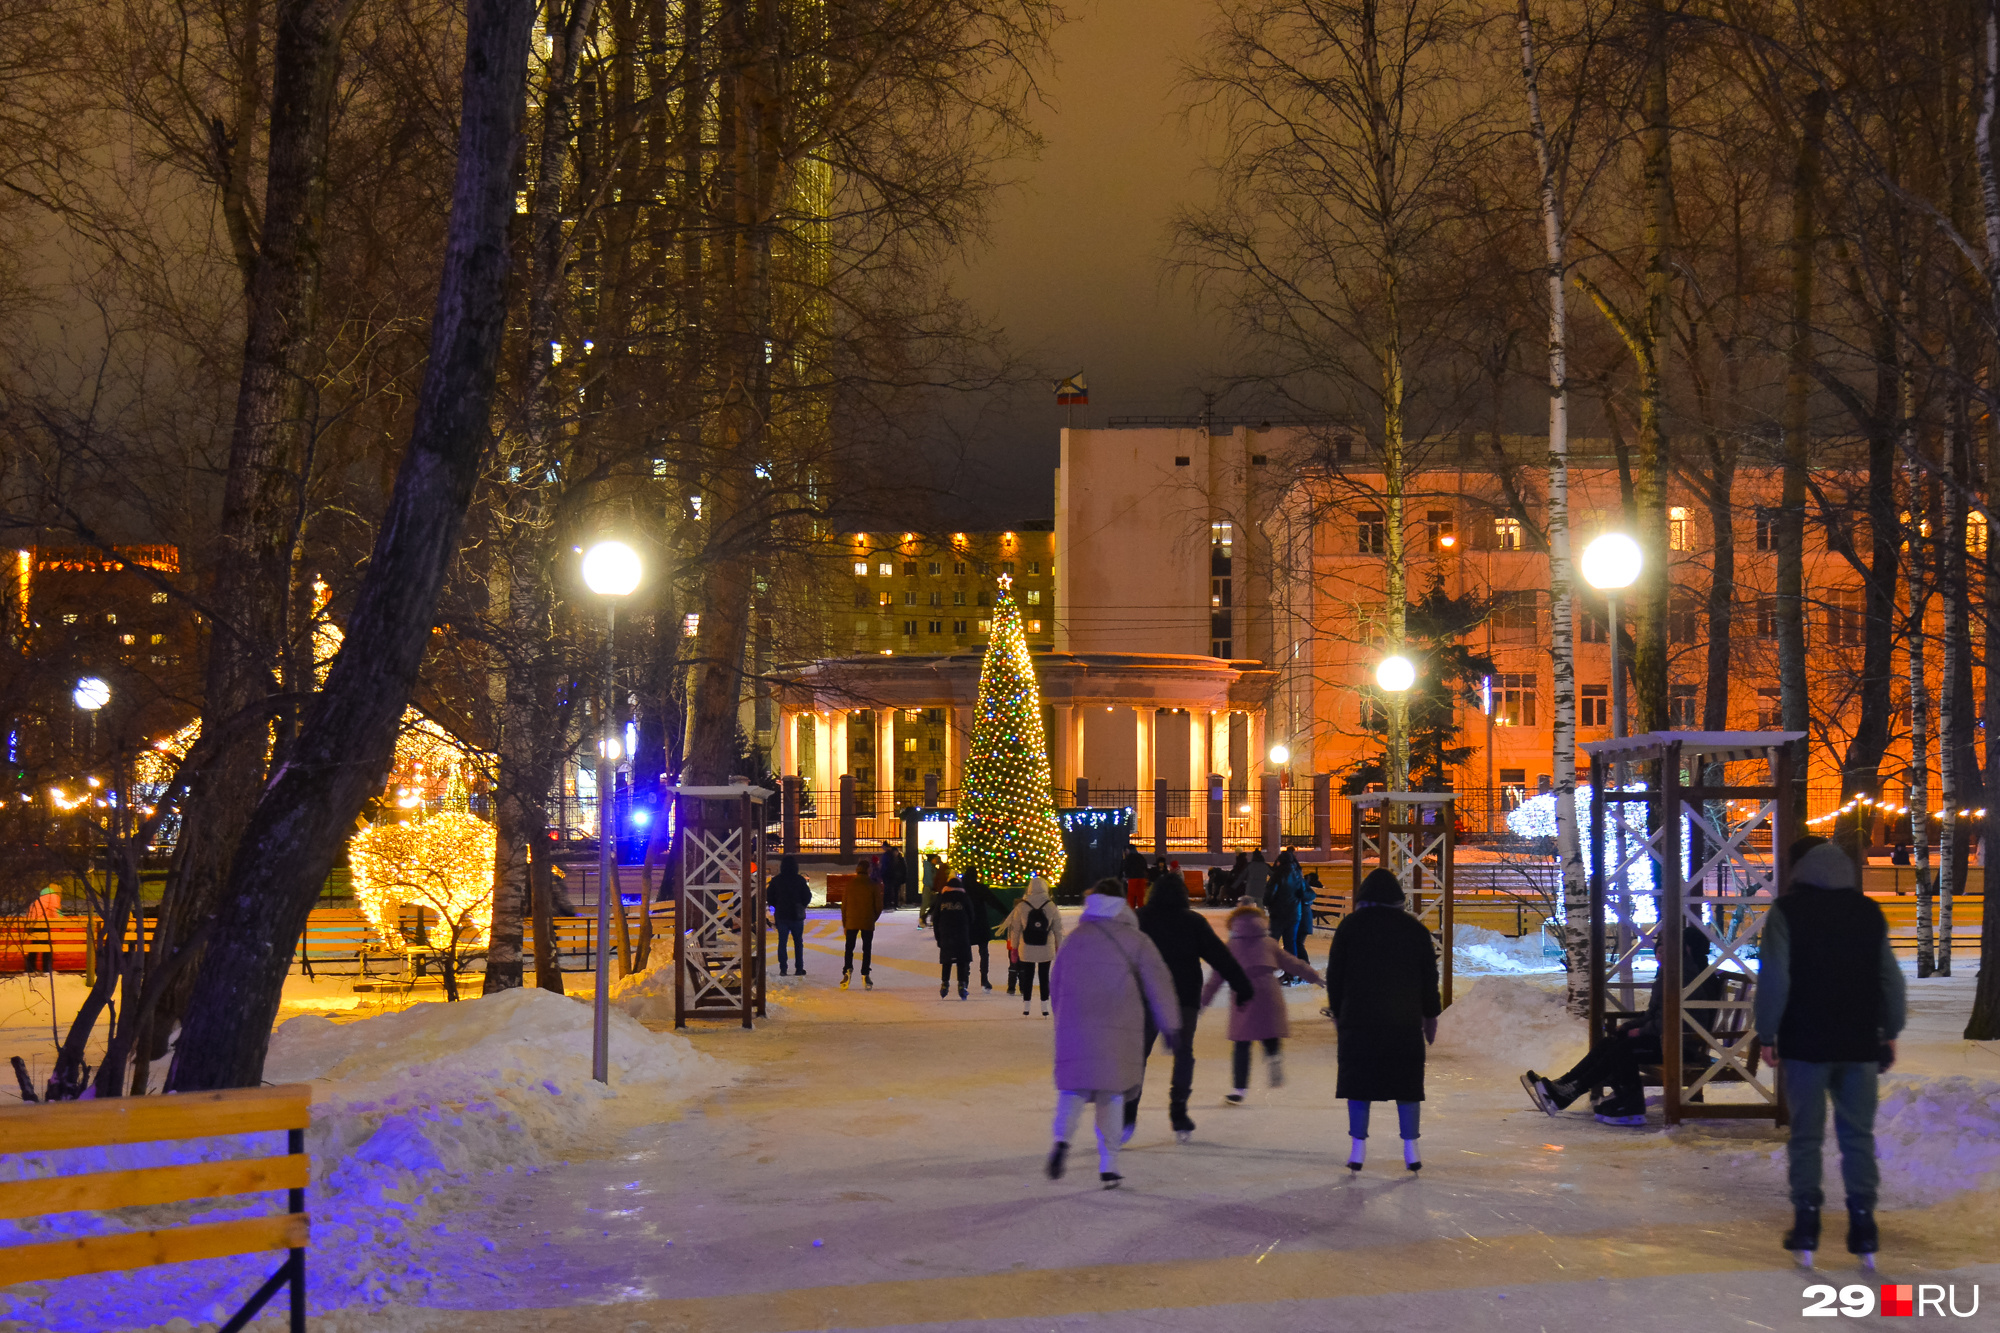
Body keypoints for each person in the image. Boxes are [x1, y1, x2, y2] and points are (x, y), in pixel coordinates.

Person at [1755, 840, 1906, 1265]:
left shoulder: (1787, 912)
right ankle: (1863, 1224)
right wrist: (1889, 1030)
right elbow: (1890, 979)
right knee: (1857, 1135)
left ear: (1798, 869)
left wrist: (1768, 1033)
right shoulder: (1867, 912)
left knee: (1806, 1136)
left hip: (1805, 1043)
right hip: (1859, 1042)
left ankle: (1806, 1223)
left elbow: (1775, 978)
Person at [1047, 877, 1181, 1189]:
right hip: (1119, 1030)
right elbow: (1159, 984)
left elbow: (1056, 983)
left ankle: (1062, 1142)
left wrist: (1061, 1019)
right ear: (1123, 903)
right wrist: (1170, 1025)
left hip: (1077, 1025)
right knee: (1112, 1094)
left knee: (1073, 1090)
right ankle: (1109, 1164)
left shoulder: (1076, 938)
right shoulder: (1135, 940)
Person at [1521, 927, 1721, 1126]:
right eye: (1659, 946)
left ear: (1685, 949)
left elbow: (1678, 1019)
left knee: (1622, 1049)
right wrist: (1631, 1026)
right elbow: (1658, 1014)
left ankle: (1619, 1101)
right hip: (1667, 1037)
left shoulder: (1689, 978)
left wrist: (1641, 1031)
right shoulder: (1674, 972)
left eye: (1666, 947)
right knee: (1613, 1042)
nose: (1660, 951)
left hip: (1680, 1043)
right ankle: (1564, 1086)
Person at [1325, 869, 1440, 1173]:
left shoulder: (1350, 927)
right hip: (1403, 1022)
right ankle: (1411, 1148)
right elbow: (1429, 976)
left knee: (1359, 1085)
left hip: (1359, 1020)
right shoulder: (1414, 930)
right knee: (1407, 1086)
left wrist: (1338, 1012)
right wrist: (1431, 1014)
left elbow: (1335, 976)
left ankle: (1357, 1149)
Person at [1132, 874, 1253, 1140]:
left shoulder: (1140, 920)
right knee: (1184, 1054)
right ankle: (1179, 1111)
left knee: (1137, 1055)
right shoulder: (1192, 922)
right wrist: (1241, 985)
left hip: (1148, 998)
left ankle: (1128, 1110)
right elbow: (1220, 957)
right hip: (1184, 998)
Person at [1203, 902, 1322, 1104]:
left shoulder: (1231, 946)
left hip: (1244, 995)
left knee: (1242, 1044)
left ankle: (1239, 1090)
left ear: (1235, 923)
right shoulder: (1269, 942)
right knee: (1269, 1032)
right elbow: (1292, 962)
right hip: (1269, 992)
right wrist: (1314, 976)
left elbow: (1216, 977)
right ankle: (1274, 1057)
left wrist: (1202, 1002)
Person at [1002, 876, 1065, 1015]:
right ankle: (1044, 1007)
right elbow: (1058, 929)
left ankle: (1026, 1006)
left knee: (1028, 976)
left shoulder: (1022, 905)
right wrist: (1058, 946)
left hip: (1027, 947)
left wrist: (1014, 947)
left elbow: (1016, 929)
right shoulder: (1050, 905)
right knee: (1044, 976)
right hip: (1045, 946)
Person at [840, 858, 881, 990]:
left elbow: (844, 906)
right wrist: (872, 918)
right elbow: (879, 906)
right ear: (869, 870)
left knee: (849, 947)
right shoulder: (873, 885)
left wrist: (845, 923)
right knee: (866, 948)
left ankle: (847, 969)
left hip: (851, 921)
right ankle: (865, 973)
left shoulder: (850, 884)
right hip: (867, 920)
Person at [963, 866, 1007, 991]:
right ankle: (984, 979)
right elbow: (994, 901)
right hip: (981, 923)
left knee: (965, 953)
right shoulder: (980, 888)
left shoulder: (962, 889)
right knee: (984, 952)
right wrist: (1006, 913)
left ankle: (965, 980)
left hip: (967, 924)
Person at [767, 856, 812, 977]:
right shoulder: (799, 880)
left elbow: (769, 895)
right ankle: (799, 968)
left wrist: (776, 904)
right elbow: (807, 896)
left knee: (782, 942)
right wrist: (802, 905)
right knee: (798, 942)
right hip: (796, 914)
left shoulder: (777, 880)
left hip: (781, 914)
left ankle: (783, 968)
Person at [932, 875, 974, 998]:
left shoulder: (942, 898)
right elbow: (971, 915)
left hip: (946, 933)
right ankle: (962, 984)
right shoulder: (964, 897)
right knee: (962, 960)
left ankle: (945, 983)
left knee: (947, 960)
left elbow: (936, 918)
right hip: (961, 933)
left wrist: (938, 937)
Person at [1266, 853, 1303, 983]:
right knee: (1290, 943)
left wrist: (1269, 903)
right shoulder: (1298, 874)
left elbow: (1269, 894)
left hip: (1278, 915)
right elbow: (1304, 892)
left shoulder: (1278, 875)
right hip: (1294, 915)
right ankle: (1291, 973)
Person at [25, 884, 60, 974]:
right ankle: (47, 969)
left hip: (33, 924)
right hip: (42, 924)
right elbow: (53, 910)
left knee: (34, 946)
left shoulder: (39, 899)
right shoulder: (53, 896)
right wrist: (60, 922)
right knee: (47, 947)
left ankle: (30, 969)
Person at [879, 841, 907, 912]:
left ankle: (892, 903)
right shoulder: (893, 857)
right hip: (892, 876)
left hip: (892, 876)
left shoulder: (889, 856)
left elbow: (886, 866)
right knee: (892, 890)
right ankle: (891, 903)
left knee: (892, 890)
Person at [920, 854, 945, 928]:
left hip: (932, 888)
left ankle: (930, 920)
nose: (937, 861)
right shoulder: (928, 867)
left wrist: (941, 864)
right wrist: (933, 888)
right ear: (932, 859)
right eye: (936, 859)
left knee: (933, 904)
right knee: (926, 903)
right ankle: (922, 919)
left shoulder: (933, 867)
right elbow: (930, 879)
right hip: (929, 888)